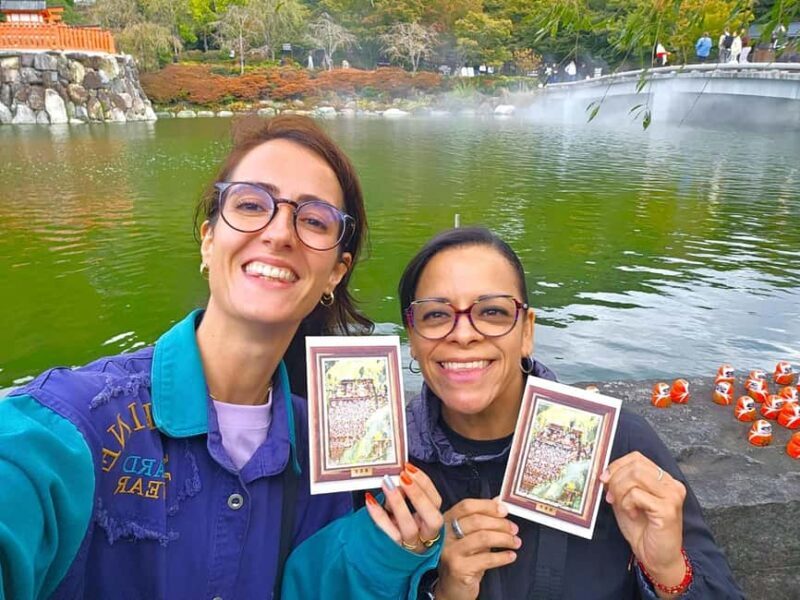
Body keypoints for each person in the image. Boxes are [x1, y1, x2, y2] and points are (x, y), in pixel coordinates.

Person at [0, 115, 443, 600]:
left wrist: (390, 550)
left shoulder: (331, 452)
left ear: (336, 273)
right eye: (253, 204)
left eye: (314, 220)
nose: (279, 233)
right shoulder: (72, 423)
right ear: (209, 239)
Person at [398, 227, 744, 599]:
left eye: (492, 311)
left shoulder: (619, 443)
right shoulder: (393, 465)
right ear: (412, 338)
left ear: (527, 331)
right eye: (435, 314)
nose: (463, 334)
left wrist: (667, 571)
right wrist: (445, 591)